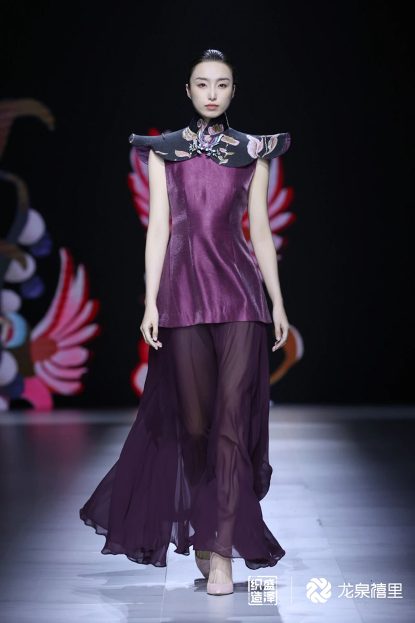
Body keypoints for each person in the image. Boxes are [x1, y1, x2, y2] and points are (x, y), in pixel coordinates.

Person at [79, 48, 291, 597]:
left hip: (241, 296)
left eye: (222, 84)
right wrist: (150, 301)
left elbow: (260, 231)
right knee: (195, 426)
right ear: (189, 90)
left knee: (230, 423)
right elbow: (159, 228)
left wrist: (277, 303)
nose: (212, 93)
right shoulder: (164, 152)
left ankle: (221, 550)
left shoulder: (253, 151)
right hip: (183, 295)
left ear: (233, 91)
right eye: (203, 83)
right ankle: (203, 522)